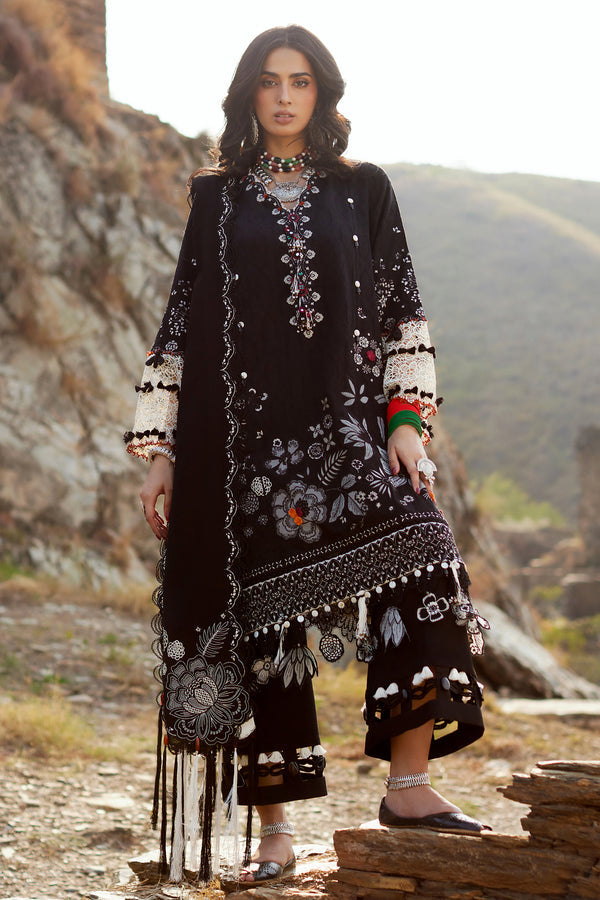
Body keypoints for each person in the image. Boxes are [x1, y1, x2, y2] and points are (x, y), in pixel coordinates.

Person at [125, 24, 490, 887]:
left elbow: (402, 310)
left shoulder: (363, 188)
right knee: (264, 629)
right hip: (244, 452)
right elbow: (180, 322)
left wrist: (407, 422)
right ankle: (276, 835)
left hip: (349, 438)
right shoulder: (217, 198)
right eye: (268, 81)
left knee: (426, 558)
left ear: (322, 91)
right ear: (247, 93)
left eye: (299, 81)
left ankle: (409, 788)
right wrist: (161, 449)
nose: (284, 96)